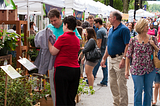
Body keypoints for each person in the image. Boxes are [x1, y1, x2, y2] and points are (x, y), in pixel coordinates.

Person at [47, 8, 82, 105]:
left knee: (61, 96)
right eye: (52, 21)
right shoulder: (75, 37)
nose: (53, 23)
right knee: (70, 97)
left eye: (55, 20)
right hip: (74, 68)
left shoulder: (63, 37)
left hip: (62, 67)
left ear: (64, 24)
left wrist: (49, 43)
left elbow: (53, 51)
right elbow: (78, 45)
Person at [125, 18, 157, 106]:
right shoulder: (133, 40)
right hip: (136, 69)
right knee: (138, 91)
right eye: (146, 25)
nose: (148, 26)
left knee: (148, 91)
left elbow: (158, 52)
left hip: (150, 69)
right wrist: (126, 70)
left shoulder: (152, 38)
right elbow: (128, 55)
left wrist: (154, 45)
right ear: (141, 27)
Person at [101, 11, 130, 106]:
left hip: (119, 58)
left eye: (109, 17)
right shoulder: (111, 29)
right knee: (112, 83)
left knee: (121, 84)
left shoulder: (124, 29)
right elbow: (108, 45)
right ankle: (116, 103)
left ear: (114, 18)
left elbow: (127, 45)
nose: (108, 19)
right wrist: (104, 58)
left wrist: (124, 59)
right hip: (111, 59)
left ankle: (123, 104)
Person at [92, 18, 108, 86]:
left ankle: (91, 78)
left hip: (100, 51)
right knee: (104, 66)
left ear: (98, 23)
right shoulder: (104, 30)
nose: (94, 25)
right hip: (104, 50)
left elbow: (99, 43)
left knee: (96, 65)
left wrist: (96, 50)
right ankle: (105, 80)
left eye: (95, 23)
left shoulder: (99, 31)